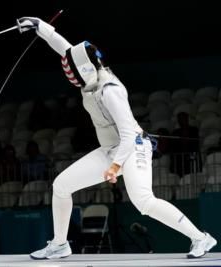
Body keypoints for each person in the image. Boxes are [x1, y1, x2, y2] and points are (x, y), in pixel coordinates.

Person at [17, 17, 217, 259]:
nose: (71, 76)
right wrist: (39, 26)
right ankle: (60, 244)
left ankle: (200, 238)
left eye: (75, 72)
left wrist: (115, 165)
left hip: (133, 146)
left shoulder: (111, 90)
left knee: (143, 201)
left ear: (86, 70)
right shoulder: (89, 68)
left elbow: (128, 135)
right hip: (110, 148)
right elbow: (65, 48)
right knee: (61, 186)